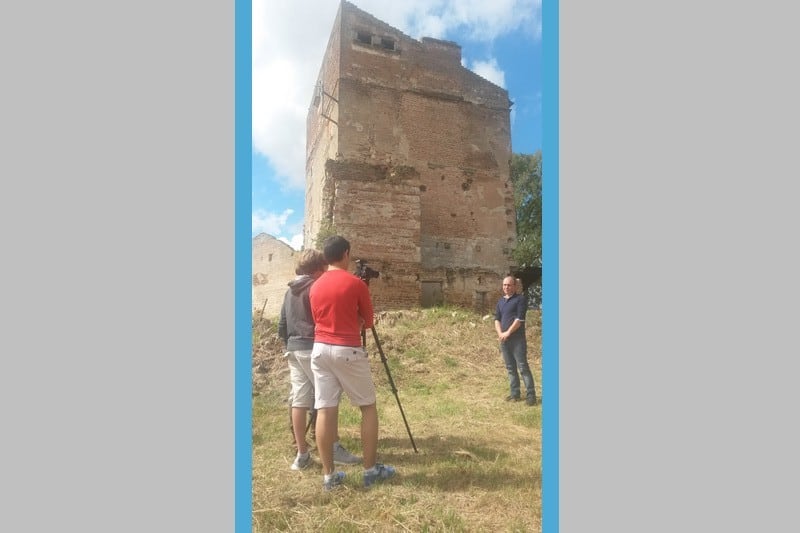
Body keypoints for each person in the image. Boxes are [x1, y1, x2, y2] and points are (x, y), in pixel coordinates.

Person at [309, 235, 397, 491]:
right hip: (347, 348)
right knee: (368, 407)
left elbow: (319, 318)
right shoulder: (356, 284)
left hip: (320, 349)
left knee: (324, 409)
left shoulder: (315, 286)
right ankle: (370, 471)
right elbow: (368, 322)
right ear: (346, 254)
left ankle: (329, 477)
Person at [278, 249, 361, 471]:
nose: (325, 272)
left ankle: (302, 453)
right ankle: (333, 447)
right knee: (327, 400)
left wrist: (289, 345)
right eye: (323, 269)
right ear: (316, 270)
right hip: (311, 345)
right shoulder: (314, 287)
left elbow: (282, 324)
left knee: (300, 400)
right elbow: (322, 317)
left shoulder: (289, 291)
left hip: (293, 349)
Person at [494, 275, 537, 406]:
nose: (506, 287)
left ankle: (531, 396)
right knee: (510, 368)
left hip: (517, 340)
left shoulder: (520, 299)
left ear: (514, 286)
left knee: (523, 367)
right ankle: (515, 394)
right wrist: (500, 333)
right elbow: (497, 319)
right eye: (504, 285)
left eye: (509, 285)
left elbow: (519, 320)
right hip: (504, 340)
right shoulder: (500, 302)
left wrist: (507, 332)